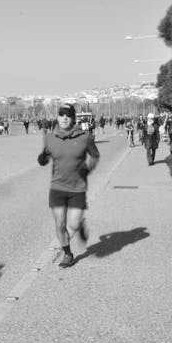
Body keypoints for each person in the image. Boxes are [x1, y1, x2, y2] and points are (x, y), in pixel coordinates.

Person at [37, 104, 100, 268]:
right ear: (57, 117)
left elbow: (95, 155)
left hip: (77, 188)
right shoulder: (50, 138)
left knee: (72, 224)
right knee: (59, 224)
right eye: (61, 115)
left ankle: (79, 224)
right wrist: (42, 158)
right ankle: (68, 254)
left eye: (68, 115)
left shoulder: (84, 137)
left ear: (73, 118)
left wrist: (88, 168)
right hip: (57, 187)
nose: (64, 118)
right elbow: (45, 155)